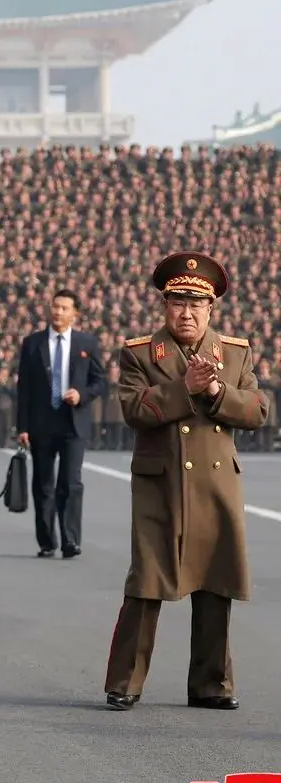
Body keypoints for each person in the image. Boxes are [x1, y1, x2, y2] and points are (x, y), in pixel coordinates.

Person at [104, 252, 268, 711]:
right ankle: (125, 682)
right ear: (164, 306)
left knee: (216, 584)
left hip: (216, 486)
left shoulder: (234, 352)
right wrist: (185, 389)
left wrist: (216, 391)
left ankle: (211, 684)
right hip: (161, 486)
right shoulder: (140, 353)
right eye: (178, 303)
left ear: (211, 309)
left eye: (197, 304)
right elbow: (133, 409)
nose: (187, 313)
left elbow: (258, 410)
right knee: (146, 583)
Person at [15, 289, 107, 558]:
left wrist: (81, 395)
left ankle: (71, 540)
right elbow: (24, 389)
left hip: (73, 422)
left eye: (64, 308)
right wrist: (22, 427)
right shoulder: (32, 343)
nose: (58, 312)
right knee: (43, 483)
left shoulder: (86, 343)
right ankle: (47, 541)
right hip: (41, 423)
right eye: (55, 306)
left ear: (75, 313)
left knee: (71, 482)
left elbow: (100, 382)